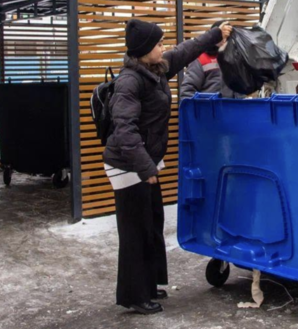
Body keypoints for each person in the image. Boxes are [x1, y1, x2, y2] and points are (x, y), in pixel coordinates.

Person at [104, 18, 232, 315]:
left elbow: (188, 49)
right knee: (135, 229)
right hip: (127, 165)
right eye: (158, 43)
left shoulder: (156, 68)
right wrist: (146, 169)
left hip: (145, 162)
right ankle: (133, 295)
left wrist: (216, 34)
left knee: (151, 224)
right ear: (145, 49)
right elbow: (125, 131)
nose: (164, 47)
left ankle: (148, 284)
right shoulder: (130, 81)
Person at [180, 21, 245, 99]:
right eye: (222, 36)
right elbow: (187, 92)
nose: (224, 40)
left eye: (227, 37)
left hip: (232, 110)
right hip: (209, 110)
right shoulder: (201, 59)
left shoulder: (236, 60)